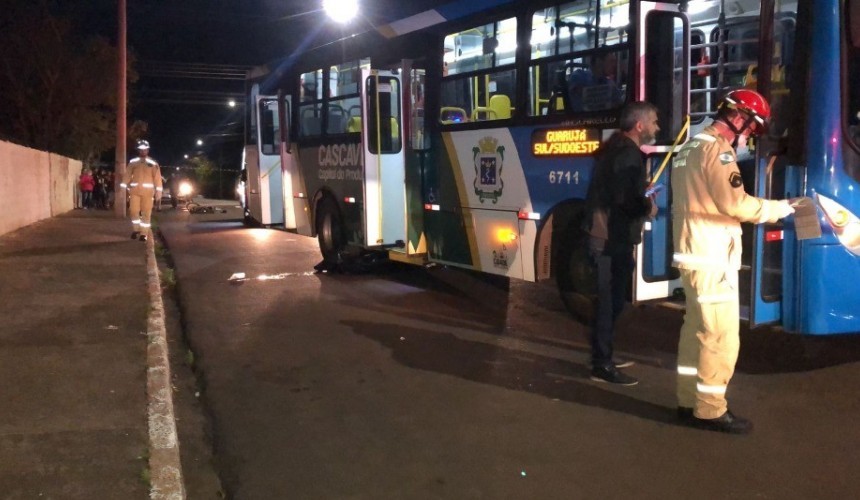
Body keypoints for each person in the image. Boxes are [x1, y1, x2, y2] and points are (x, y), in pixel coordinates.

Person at [671, 89, 795, 434]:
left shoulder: (691, 146)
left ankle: (687, 400)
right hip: (712, 260)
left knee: (695, 332)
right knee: (720, 337)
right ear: (739, 119)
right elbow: (736, 205)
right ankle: (710, 410)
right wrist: (781, 208)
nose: (749, 139)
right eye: (751, 131)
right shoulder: (718, 152)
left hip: (693, 256)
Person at [583, 101, 660, 386]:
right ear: (639, 125)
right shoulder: (628, 154)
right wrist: (647, 207)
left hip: (605, 236)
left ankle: (602, 356)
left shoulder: (617, 149)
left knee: (610, 301)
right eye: (654, 121)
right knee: (609, 302)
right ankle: (601, 364)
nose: (657, 127)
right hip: (609, 239)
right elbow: (624, 200)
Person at [121, 140, 163, 242]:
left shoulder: (153, 163)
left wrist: (158, 193)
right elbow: (127, 175)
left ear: (148, 150)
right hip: (135, 191)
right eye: (141, 150)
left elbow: (157, 179)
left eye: (145, 150)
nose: (143, 151)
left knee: (146, 213)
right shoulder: (133, 162)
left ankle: (144, 233)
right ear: (138, 150)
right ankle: (136, 230)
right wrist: (123, 187)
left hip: (148, 194)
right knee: (133, 211)